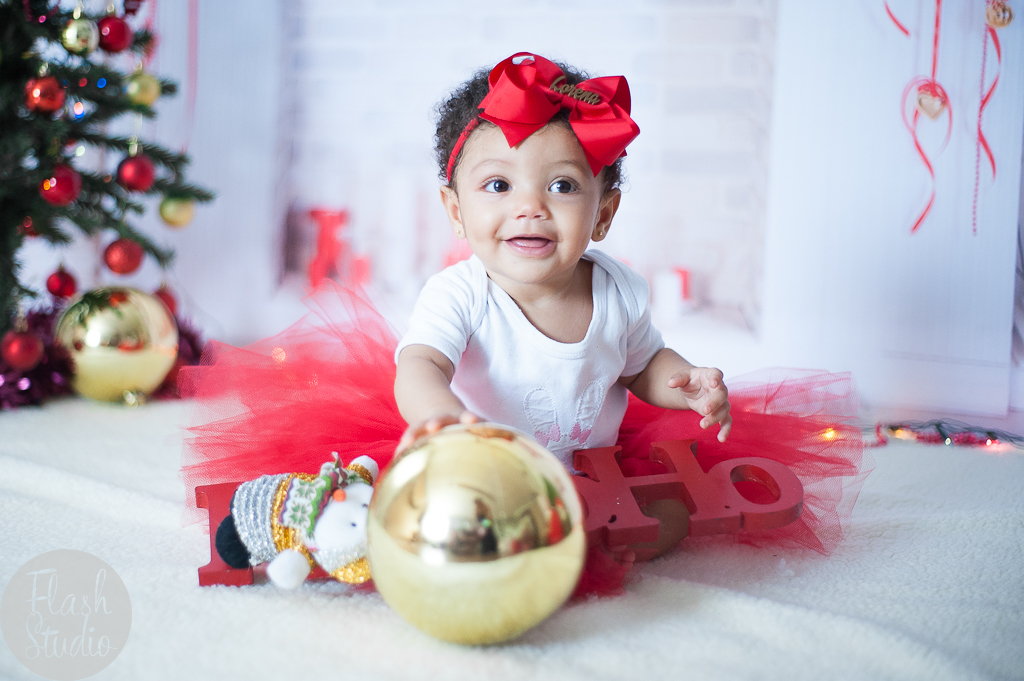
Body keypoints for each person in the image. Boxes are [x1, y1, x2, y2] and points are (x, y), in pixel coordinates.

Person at [181, 53, 868, 595]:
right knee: (411, 521)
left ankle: (576, 537)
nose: (531, 206)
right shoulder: (461, 293)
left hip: (588, 470)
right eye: (498, 185)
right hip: (474, 463)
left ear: (603, 212)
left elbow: (643, 363)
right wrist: (441, 419)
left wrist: (683, 381)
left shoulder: (619, 290)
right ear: (456, 211)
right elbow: (419, 364)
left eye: (563, 186)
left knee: (670, 518)